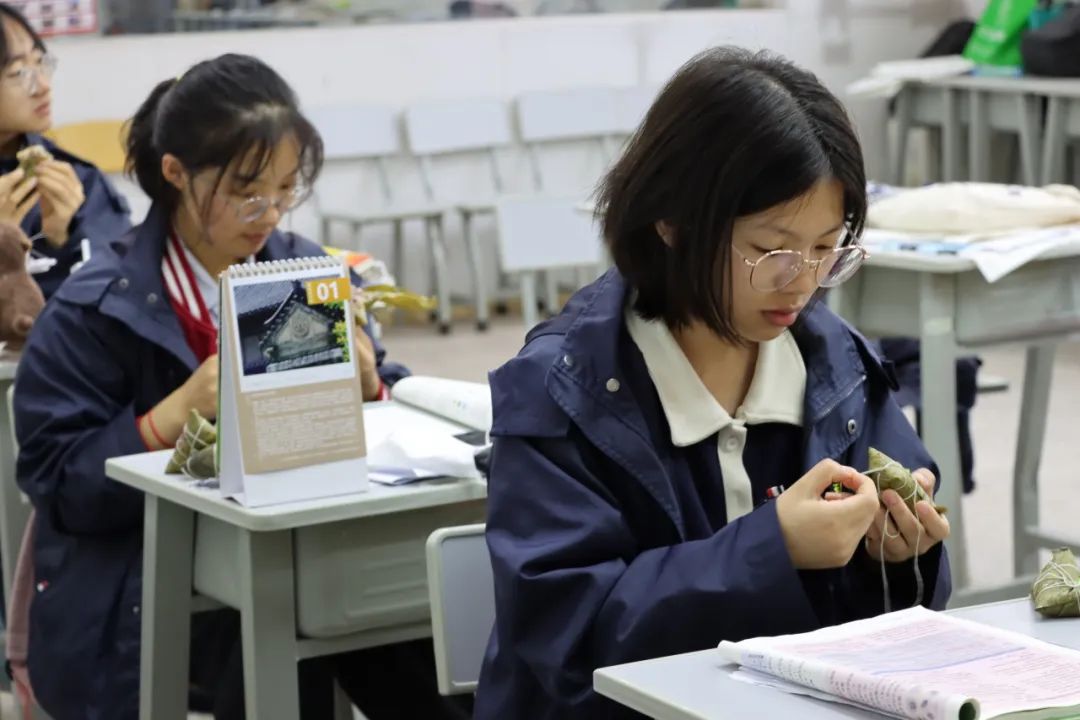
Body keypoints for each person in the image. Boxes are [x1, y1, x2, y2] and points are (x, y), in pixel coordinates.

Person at [474, 47, 953, 720]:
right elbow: (571, 640)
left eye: (826, 248)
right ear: (670, 221)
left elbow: (896, 619)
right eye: (770, 250)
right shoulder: (563, 393)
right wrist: (772, 550)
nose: (803, 281)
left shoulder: (838, 368)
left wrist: (903, 552)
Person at [12, 53, 462, 720]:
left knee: (423, 634)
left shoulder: (301, 270)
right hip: (141, 583)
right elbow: (57, 484)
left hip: (301, 550)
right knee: (275, 640)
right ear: (175, 173)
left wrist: (371, 385)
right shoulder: (96, 306)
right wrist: (172, 417)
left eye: (285, 191)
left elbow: (377, 408)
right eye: (248, 190)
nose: (270, 214)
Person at [0, 2, 131, 299]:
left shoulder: (78, 181)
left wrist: (66, 240)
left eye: (40, 63)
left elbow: (123, 294)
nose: (43, 86)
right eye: (20, 72)